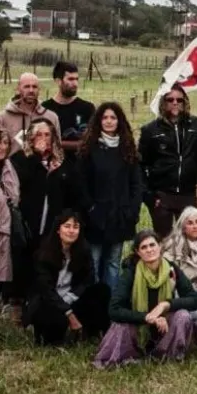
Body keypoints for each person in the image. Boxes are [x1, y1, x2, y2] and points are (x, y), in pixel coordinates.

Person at [93, 230, 197, 369]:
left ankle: (168, 354)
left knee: (183, 316)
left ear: (160, 246)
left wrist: (166, 305)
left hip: (164, 326)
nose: (149, 250)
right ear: (138, 252)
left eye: (152, 245)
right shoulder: (130, 273)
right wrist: (147, 317)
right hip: (137, 327)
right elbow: (114, 309)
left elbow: (194, 299)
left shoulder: (171, 269)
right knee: (121, 324)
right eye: (144, 247)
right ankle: (131, 355)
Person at [9, 119, 77, 322]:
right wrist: (38, 161)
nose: (43, 139)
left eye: (47, 135)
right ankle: (17, 306)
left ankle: (41, 307)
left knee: (45, 265)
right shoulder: (21, 159)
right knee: (24, 262)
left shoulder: (62, 160)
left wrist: (55, 173)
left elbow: (70, 189)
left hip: (52, 224)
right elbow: (23, 184)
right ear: (30, 137)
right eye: (39, 134)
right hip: (29, 223)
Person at [77, 102, 142, 291]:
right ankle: (94, 303)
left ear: (119, 121)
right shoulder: (89, 149)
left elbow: (136, 184)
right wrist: (90, 208)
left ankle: (111, 305)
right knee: (94, 261)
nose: (108, 121)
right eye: (104, 117)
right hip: (95, 215)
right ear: (98, 121)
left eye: (113, 117)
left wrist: (132, 210)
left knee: (113, 262)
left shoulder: (128, 148)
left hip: (120, 215)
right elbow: (81, 184)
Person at [139, 84, 197, 237]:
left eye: (179, 100)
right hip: (162, 195)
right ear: (163, 102)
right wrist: (149, 196)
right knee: (164, 241)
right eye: (170, 99)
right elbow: (140, 165)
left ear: (185, 102)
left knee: (189, 239)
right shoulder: (150, 130)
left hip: (188, 193)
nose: (175, 103)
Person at [24, 210, 110, 345]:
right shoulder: (43, 254)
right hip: (49, 301)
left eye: (75, 227)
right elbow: (46, 290)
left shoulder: (84, 250)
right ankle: (50, 334)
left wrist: (73, 296)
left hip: (72, 297)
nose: (71, 231)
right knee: (54, 329)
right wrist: (69, 313)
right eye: (67, 226)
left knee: (102, 290)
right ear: (58, 230)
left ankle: (96, 333)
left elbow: (89, 279)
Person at [41, 61, 96, 162]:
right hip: (53, 168)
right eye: (70, 79)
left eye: (76, 79)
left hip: (80, 170)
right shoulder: (45, 109)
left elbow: (92, 143)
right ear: (58, 81)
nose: (75, 84)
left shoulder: (87, 108)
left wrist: (57, 143)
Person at [0, 73, 60, 153]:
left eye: (34, 87)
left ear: (39, 90)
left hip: (42, 164)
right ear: (18, 89)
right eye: (27, 86)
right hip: (12, 165)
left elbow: (57, 151)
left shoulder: (51, 117)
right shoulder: (3, 118)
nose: (31, 90)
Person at [0, 127, 19, 313]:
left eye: (5, 143)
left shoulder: (8, 167)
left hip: (4, 233)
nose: (2, 147)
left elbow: (15, 196)